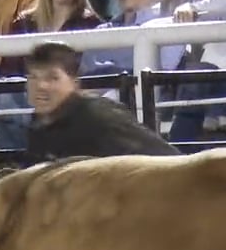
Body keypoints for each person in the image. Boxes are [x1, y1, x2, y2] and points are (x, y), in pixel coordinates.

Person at [25, 41, 180, 161]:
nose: (41, 86)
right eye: (33, 77)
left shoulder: (97, 117)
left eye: (53, 78)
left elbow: (155, 160)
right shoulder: (39, 124)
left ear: (75, 82)